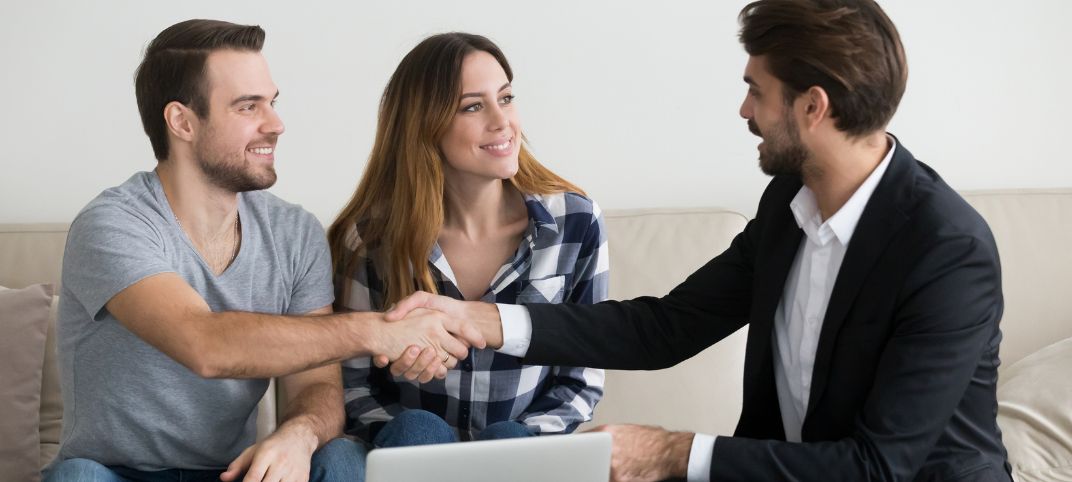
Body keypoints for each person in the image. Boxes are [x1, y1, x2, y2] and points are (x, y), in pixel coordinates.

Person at [384, 1, 1011, 481]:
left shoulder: (947, 251)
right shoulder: (789, 204)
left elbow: (877, 466)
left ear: (812, 107)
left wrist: (672, 452)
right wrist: (482, 320)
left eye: (757, 91)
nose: (744, 111)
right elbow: (664, 328)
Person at [45, 19, 482, 482]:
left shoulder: (294, 233)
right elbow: (203, 343)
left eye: (272, 102)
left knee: (344, 458)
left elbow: (315, 384)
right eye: (248, 106)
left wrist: (300, 432)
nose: (276, 125)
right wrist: (377, 331)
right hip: (115, 473)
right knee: (78, 478)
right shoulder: (113, 224)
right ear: (182, 122)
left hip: (232, 473)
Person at [327, 32, 608, 448]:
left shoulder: (575, 223)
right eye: (473, 106)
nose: (502, 121)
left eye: (506, 98)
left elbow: (580, 379)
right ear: (425, 125)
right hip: (413, 458)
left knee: (509, 440)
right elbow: (355, 385)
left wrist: (521, 444)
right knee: (416, 430)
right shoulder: (370, 239)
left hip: (517, 459)